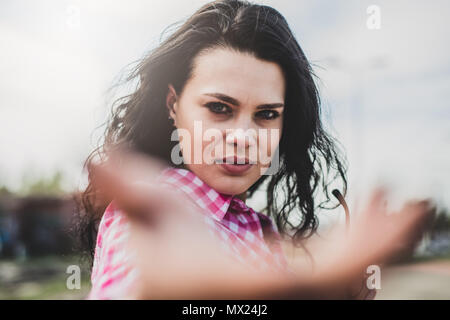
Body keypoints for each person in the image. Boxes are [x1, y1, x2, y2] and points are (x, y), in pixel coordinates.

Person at [76, 0, 433, 299]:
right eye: (219, 108)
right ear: (173, 105)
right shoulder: (151, 208)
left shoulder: (255, 226)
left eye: (266, 114)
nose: (244, 137)